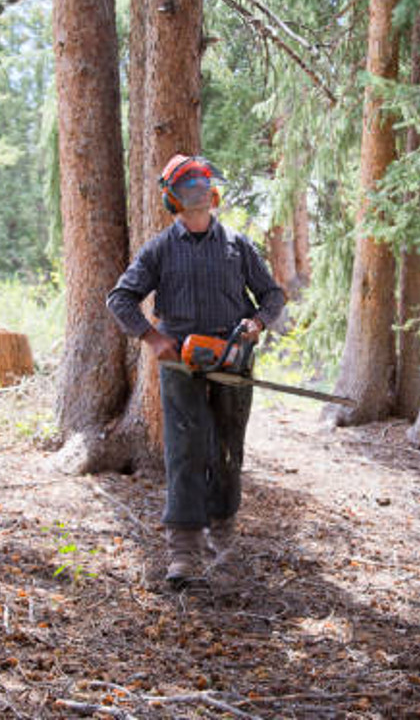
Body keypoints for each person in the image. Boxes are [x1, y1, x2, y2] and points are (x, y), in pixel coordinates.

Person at [106, 154, 285, 587]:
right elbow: (120, 299)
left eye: (203, 186)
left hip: (233, 357)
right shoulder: (160, 250)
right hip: (181, 361)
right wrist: (154, 339)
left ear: (213, 193)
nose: (198, 194)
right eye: (188, 188)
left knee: (227, 448)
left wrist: (256, 323)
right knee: (185, 450)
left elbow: (272, 295)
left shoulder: (237, 245)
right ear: (173, 199)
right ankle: (183, 551)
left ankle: (222, 542)